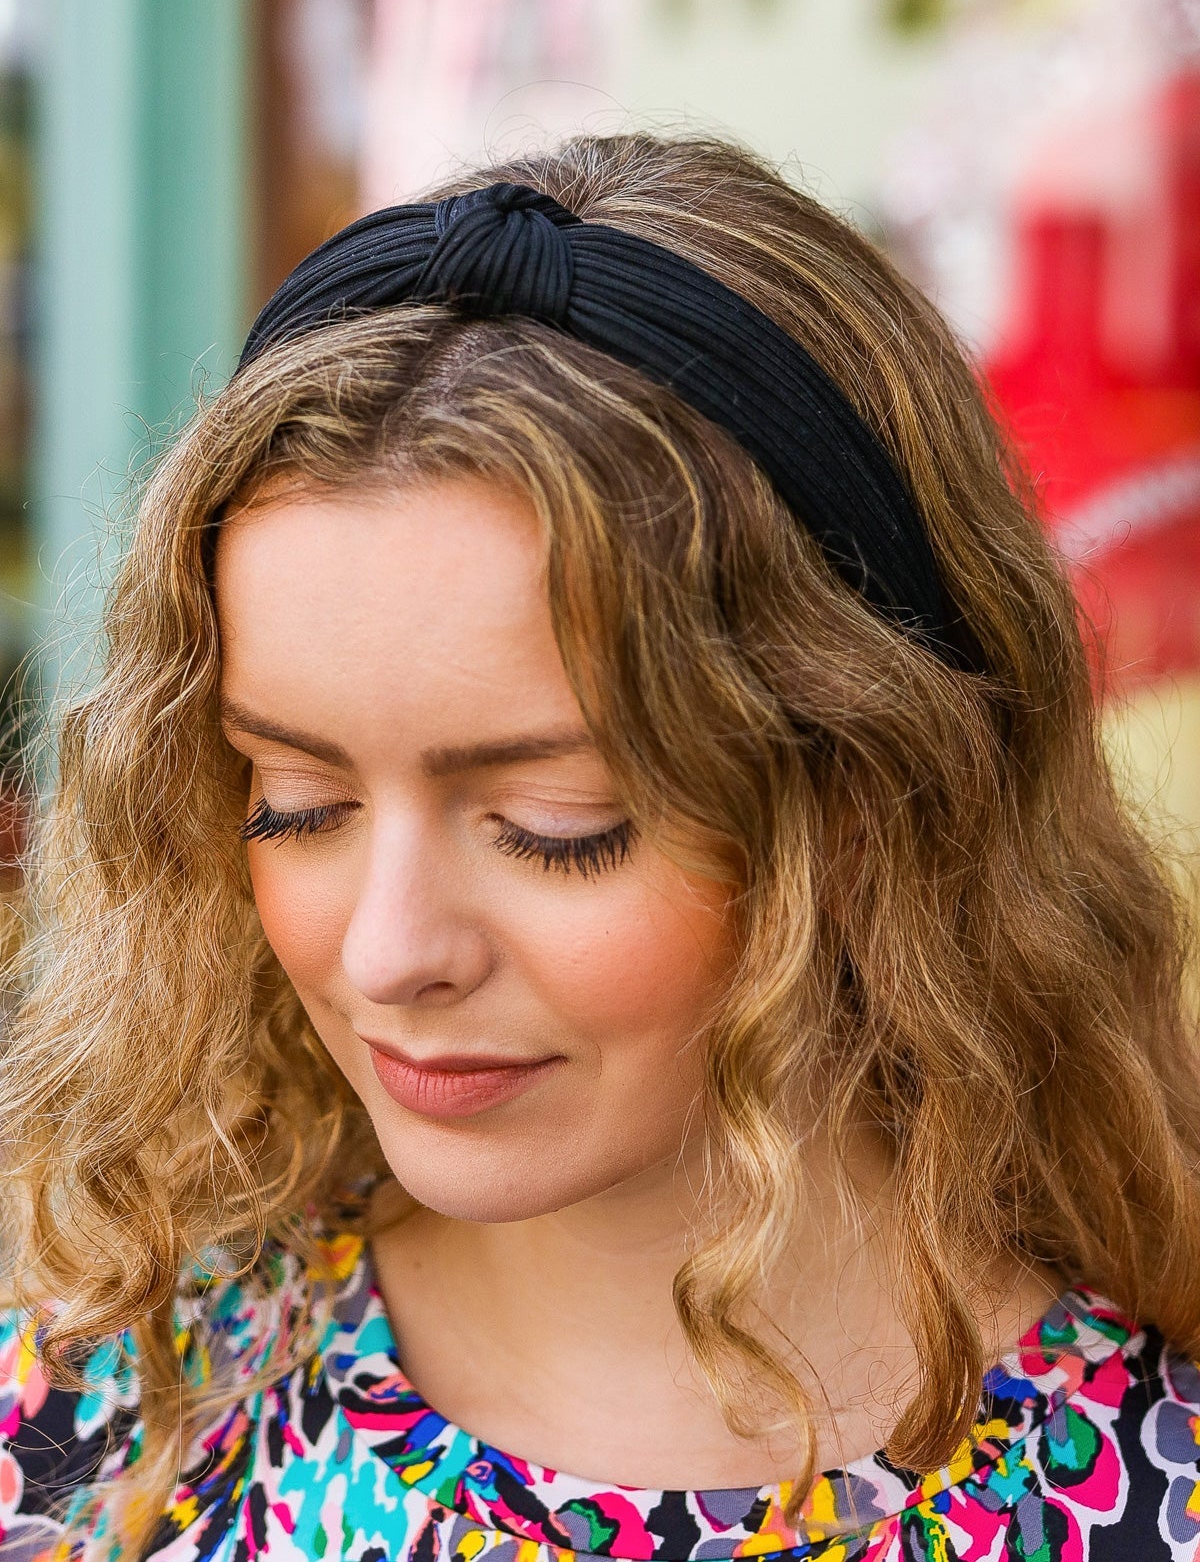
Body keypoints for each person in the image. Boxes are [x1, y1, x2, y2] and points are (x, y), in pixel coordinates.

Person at [2, 134, 1199, 1562]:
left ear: (886, 786)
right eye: (296, 800)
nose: (388, 950)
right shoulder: (100, 1424)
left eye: (555, 827)